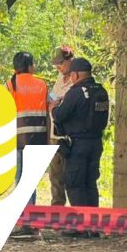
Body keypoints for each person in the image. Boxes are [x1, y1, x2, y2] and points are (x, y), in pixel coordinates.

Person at [51, 58, 109, 212]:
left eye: (71, 75)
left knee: (75, 184)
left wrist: (53, 108)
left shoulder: (75, 93)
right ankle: (93, 221)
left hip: (78, 146)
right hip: (96, 144)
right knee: (90, 183)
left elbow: (59, 116)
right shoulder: (101, 91)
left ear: (75, 75)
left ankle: (80, 221)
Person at [5, 52, 48, 235]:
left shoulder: (10, 85)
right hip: (38, 138)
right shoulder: (42, 84)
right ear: (30, 66)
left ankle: (27, 223)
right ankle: (30, 222)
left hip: (18, 139)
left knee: (21, 181)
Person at [47, 45, 74, 206]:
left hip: (70, 136)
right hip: (54, 133)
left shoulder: (77, 78)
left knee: (72, 176)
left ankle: (76, 212)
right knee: (55, 177)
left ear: (70, 60)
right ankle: (57, 209)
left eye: (61, 63)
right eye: (56, 64)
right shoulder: (60, 77)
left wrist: (58, 102)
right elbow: (54, 96)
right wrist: (51, 100)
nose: (58, 67)